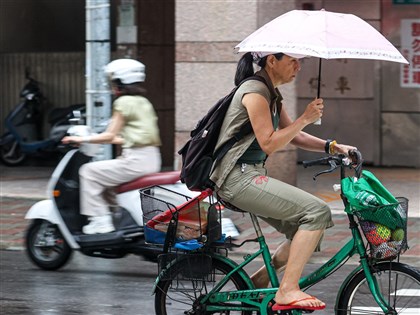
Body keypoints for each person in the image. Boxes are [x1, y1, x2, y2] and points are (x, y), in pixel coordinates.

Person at [210, 52, 356, 311]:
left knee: (307, 229)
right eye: (293, 61)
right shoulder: (255, 92)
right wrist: (305, 118)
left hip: (250, 174)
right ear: (272, 61)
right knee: (316, 211)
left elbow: (295, 136)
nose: (298, 67)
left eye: (301, 62)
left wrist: (333, 146)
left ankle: (258, 281)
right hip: (236, 178)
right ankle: (287, 289)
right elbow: (269, 141)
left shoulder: (272, 93)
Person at [62, 59, 161, 234]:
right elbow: (127, 138)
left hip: (135, 161)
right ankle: (119, 216)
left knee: (88, 172)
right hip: (151, 159)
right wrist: (95, 139)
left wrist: (82, 139)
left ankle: (100, 220)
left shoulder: (123, 103)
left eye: (113, 81)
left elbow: (109, 135)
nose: (112, 86)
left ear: (120, 82)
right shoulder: (144, 102)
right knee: (107, 182)